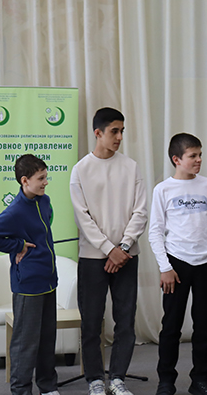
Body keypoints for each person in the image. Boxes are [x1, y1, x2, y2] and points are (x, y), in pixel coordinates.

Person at [69, 107, 148, 395]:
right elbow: (83, 218)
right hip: (93, 258)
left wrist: (123, 247)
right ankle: (94, 380)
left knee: (125, 321)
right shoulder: (81, 169)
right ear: (98, 133)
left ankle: (117, 378)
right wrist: (108, 249)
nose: (119, 137)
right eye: (114, 131)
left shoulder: (131, 166)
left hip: (127, 256)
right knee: (91, 322)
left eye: (122, 131)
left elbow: (141, 211)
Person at [149, 133, 207, 395]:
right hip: (176, 264)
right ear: (177, 159)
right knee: (171, 325)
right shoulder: (163, 189)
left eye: (200, 155)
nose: (198, 160)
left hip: (206, 263)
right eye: (192, 156)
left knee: (203, 325)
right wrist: (165, 267)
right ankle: (166, 381)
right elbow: (155, 232)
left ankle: (201, 380)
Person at [0, 154, 60, 395]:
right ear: (24, 180)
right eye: (41, 178)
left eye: (46, 177)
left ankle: (48, 386)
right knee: (25, 342)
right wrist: (17, 245)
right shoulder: (15, 211)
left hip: (49, 281)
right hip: (28, 285)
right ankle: (21, 390)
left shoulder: (45, 201)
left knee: (47, 339)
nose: (45, 182)